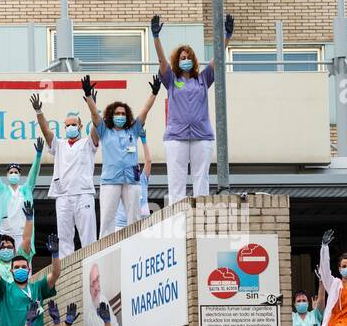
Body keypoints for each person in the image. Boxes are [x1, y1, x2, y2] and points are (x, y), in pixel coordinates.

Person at [151, 12, 234, 203]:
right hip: (176, 137)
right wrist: (156, 38)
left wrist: (227, 37)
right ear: (177, 61)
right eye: (181, 57)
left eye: (187, 56)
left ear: (193, 59)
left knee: (201, 179)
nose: (185, 59)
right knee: (176, 180)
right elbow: (163, 63)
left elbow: (218, 59)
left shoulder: (203, 78)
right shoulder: (172, 80)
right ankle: (176, 218)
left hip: (201, 136)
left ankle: (200, 216)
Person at [82, 74, 158, 236]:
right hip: (110, 180)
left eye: (123, 113)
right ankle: (104, 254)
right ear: (111, 115)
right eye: (117, 113)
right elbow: (95, 116)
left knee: (134, 220)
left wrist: (154, 93)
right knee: (108, 220)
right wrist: (89, 97)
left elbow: (145, 111)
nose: (121, 116)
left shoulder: (134, 130)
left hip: (132, 180)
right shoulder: (104, 131)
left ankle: (134, 249)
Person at [32, 92, 97, 258]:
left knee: (88, 238)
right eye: (67, 125)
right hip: (62, 195)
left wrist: (92, 105)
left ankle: (91, 262)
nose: (70, 128)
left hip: (83, 194)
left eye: (73, 124)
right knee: (64, 238)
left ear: (80, 127)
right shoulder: (59, 145)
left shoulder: (88, 143)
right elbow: (46, 131)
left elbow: (97, 127)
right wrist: (39, 111)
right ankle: (66, 270)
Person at [0, 136, 44, 245]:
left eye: (16, 172)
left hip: (22, 233)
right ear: (7, 175)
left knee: (22, 261)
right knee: (3, 260)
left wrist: (38, 156)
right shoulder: (1, 189)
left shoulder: (26, 189)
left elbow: (34, 173)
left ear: (20, 175)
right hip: (3, 233)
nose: (13, 174)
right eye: (11, 172)